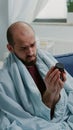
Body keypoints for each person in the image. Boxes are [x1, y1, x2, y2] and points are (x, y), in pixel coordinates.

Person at [0, 21, 73, 130]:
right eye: (23, 48)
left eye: (33, 45)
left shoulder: (46, 58)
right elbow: (23, 119)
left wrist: (57, 92)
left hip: (63, 117)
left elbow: (69, 90)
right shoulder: (4, 80)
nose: (31, 52)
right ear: (10, 48)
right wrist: (50, 92)